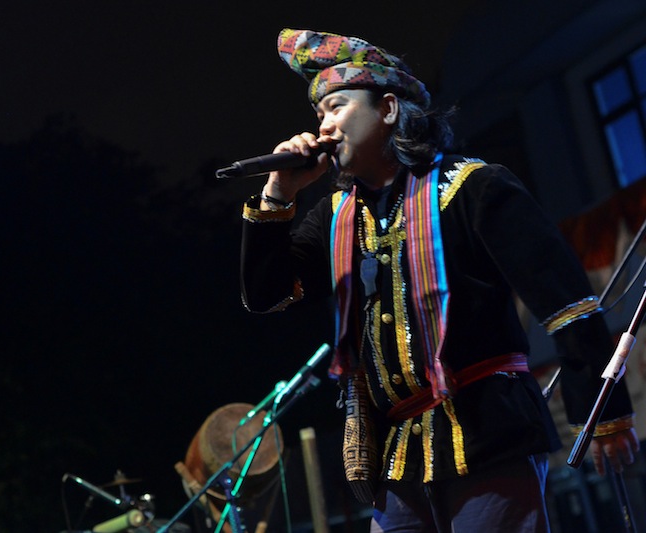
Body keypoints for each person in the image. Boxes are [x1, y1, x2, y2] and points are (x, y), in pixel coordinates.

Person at [238, 28, 639, 532]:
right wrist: (278, 193)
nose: (324, 127)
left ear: (387, 109)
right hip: (394, 458)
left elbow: (567, 305)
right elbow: (265, 297)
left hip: (488, 433)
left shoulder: (474, 187)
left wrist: (602, 415)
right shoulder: (336, 219)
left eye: (337, 107)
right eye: (319, 114)